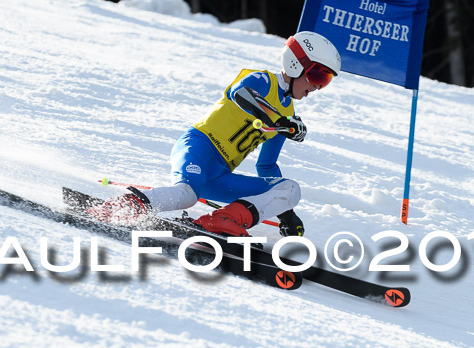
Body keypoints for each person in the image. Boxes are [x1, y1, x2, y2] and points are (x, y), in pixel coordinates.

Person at [89, 31, 341, 237]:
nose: (318, 86)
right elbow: (240, 94)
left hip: (220, 175)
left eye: (326, 79)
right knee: (187, 195)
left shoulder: (287, 112)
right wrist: (279, 121)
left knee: (291, 189)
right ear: (295, 64)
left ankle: (222, 220)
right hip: (199, 147)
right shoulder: (263, 80)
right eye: (317, 74)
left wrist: (286, 212)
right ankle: (121, 207)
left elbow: (266, 165)